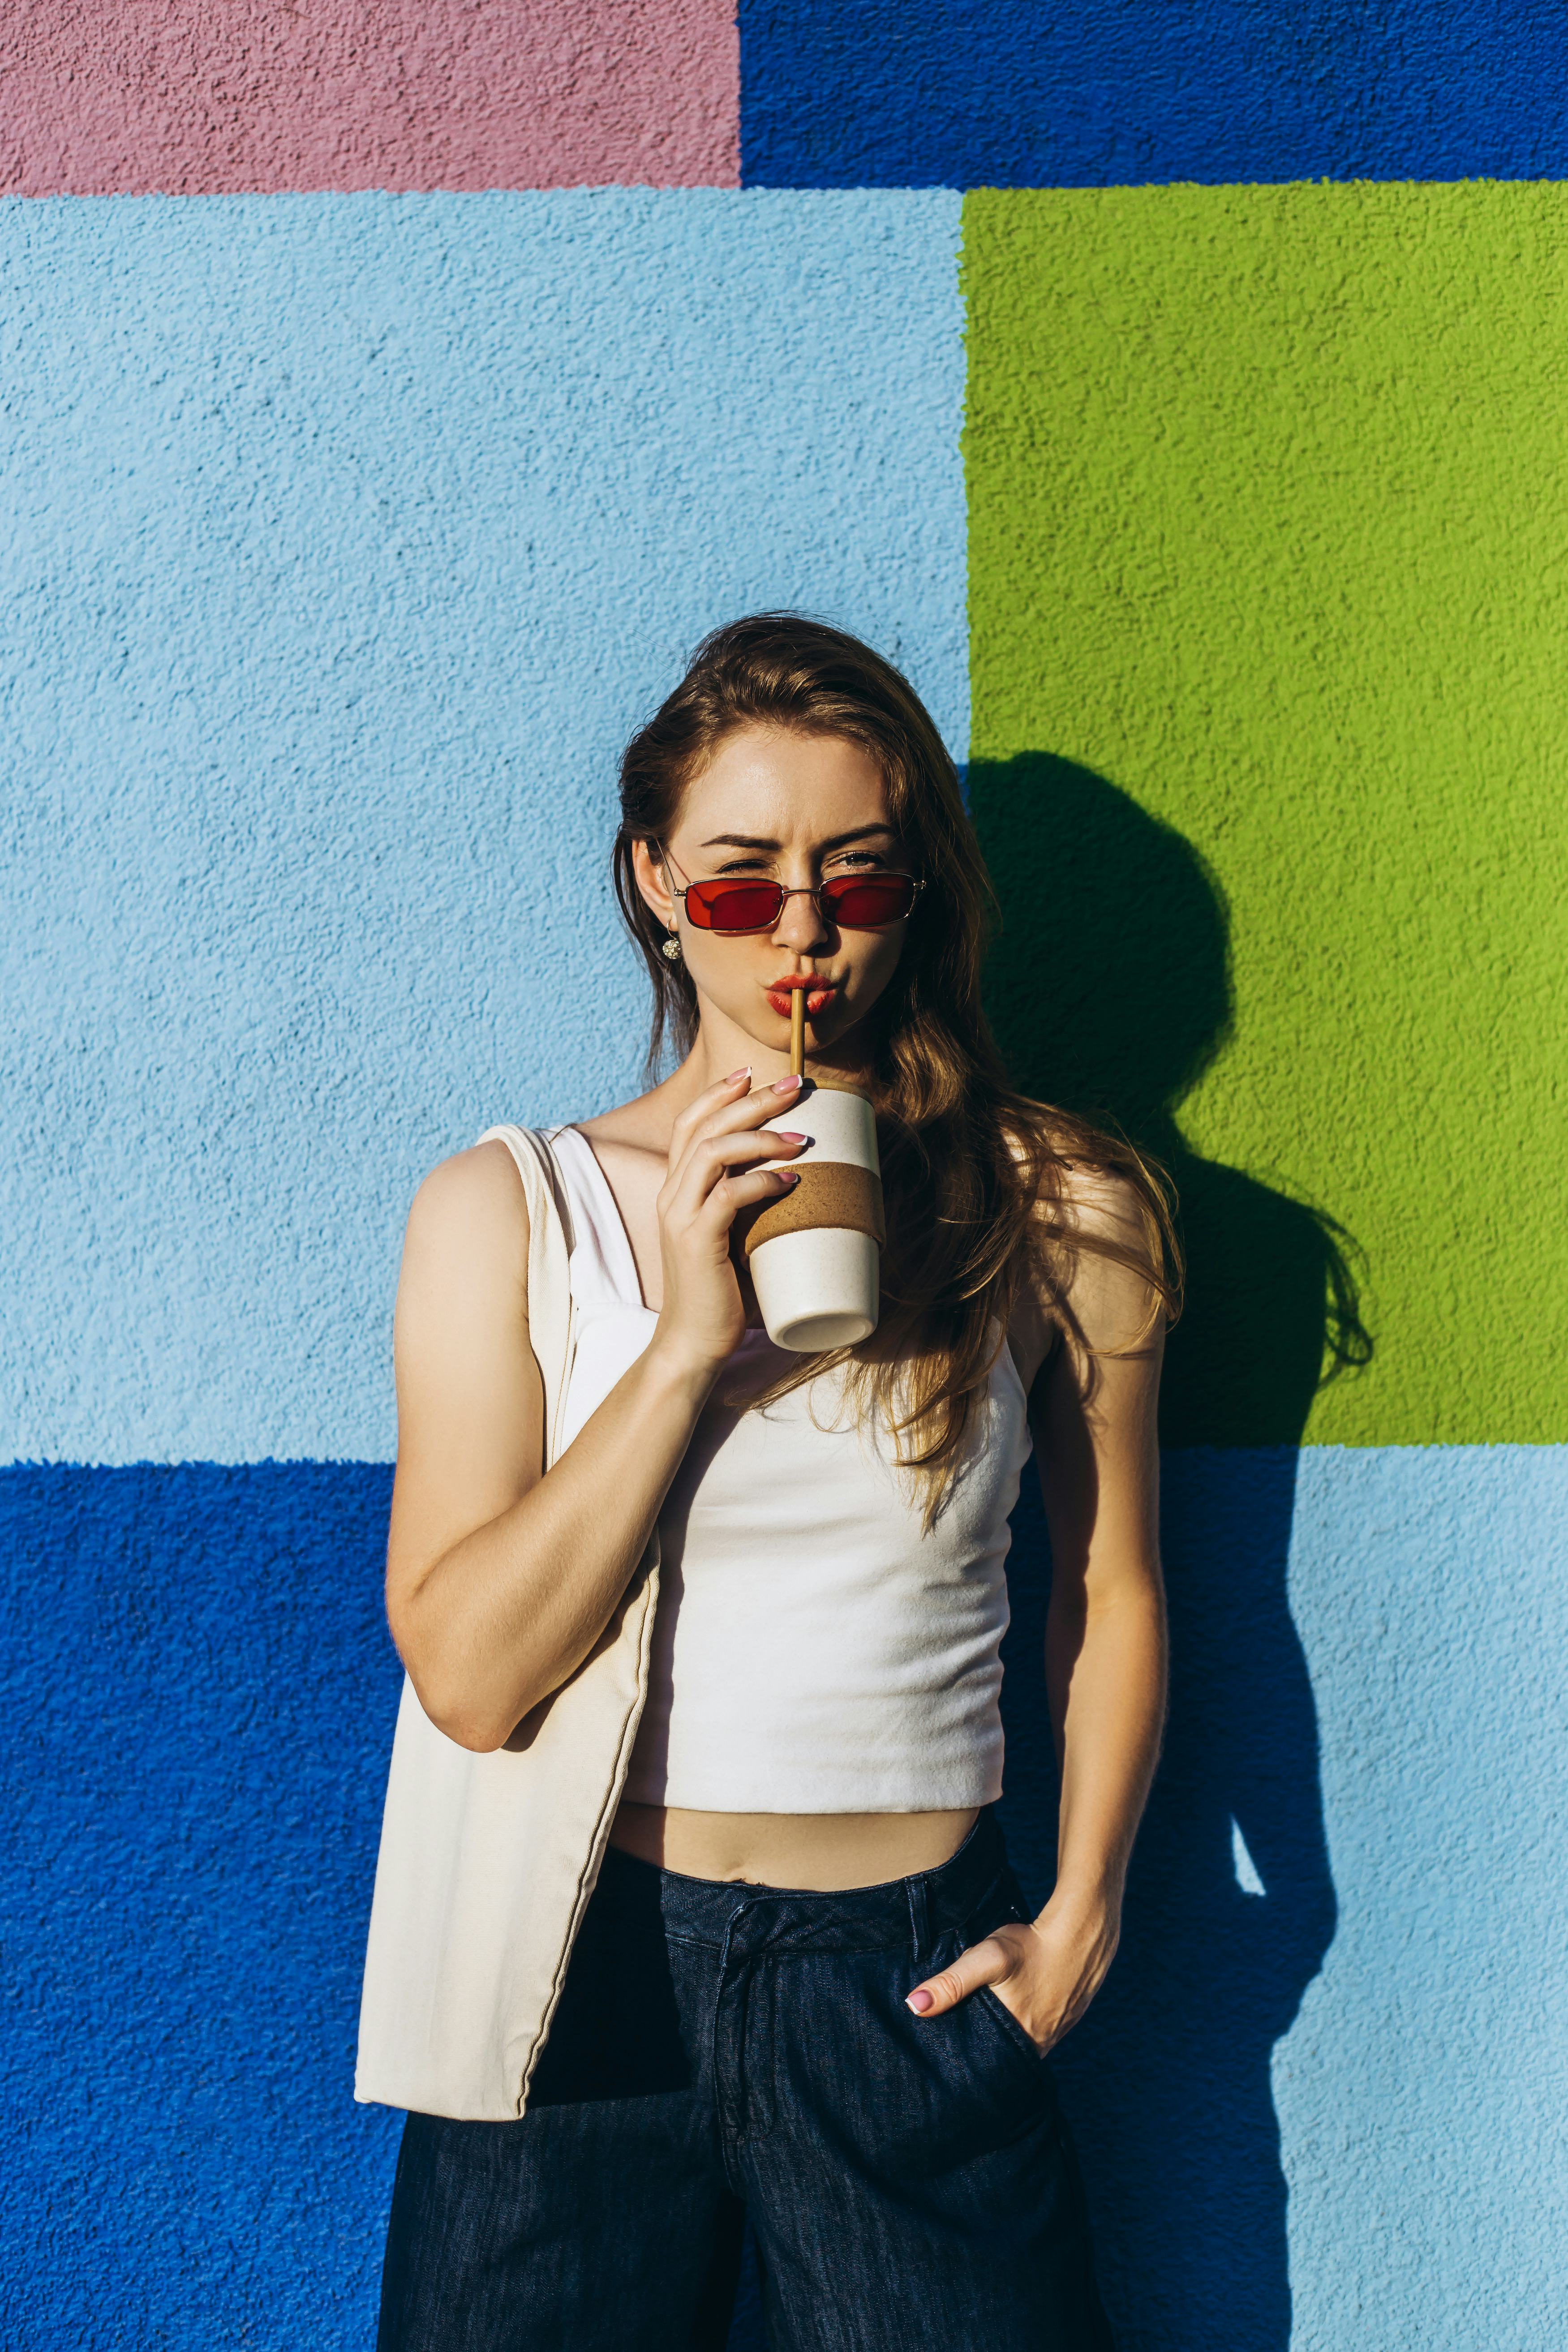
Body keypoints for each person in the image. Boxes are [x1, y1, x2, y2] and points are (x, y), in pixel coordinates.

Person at [362, 615, 1176, 2351]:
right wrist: (680, 1347)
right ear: (655, 883)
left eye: (857, 878)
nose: (802, 928)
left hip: (906, 1975)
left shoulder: (1063, 1208)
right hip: (574, 1963)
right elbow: (471, 1671)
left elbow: (1111, 1585)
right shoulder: (509, 1209)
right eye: (740, 883)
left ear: (919, 891)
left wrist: (1084, 1911)